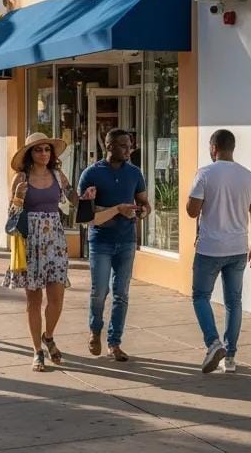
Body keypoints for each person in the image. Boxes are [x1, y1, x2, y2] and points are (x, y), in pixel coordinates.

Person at [186, 129, 251, 374]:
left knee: (200, 296)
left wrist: (196, 198)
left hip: (209, 248)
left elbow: (191, 211)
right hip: (238, 248)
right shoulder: (249, 177)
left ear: (213, 148)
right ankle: (229, 357)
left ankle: (213, 343)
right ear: (232, 148)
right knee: (234, 302)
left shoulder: (205, 174)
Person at [3, 132, 74, 371]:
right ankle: (37, 351)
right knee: (33, 300)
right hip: (30, 241)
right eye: (38, 149)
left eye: (47, 149)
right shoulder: (21, 178)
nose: (43, 153)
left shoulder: (58, 175)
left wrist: (88, 197)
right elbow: (11, 217)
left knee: (57, 298)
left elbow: (75, 200)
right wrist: (18, 199)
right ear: (29, 154)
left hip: (55, 240)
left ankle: (48, 336)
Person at [78, 128, 149, 361]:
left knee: (121, 294)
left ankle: (114, 343)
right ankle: (94, 330)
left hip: (127, 240)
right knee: (100, 292)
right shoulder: (91, 174)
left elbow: (144, 203)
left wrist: (141, 212)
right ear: (109, 146)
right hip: (100, 241)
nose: (129, 150)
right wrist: (116, 209)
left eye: (130, 145)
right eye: (123, 146)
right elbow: (84, 213)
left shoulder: (134, 173)